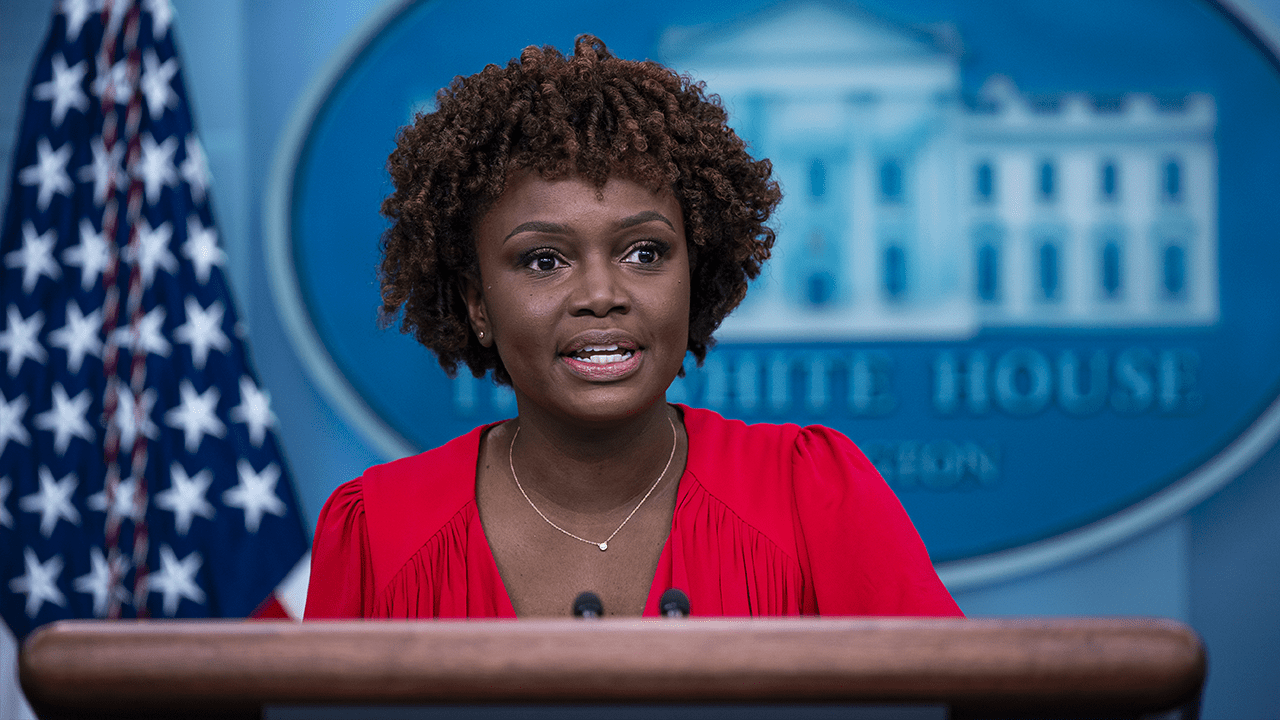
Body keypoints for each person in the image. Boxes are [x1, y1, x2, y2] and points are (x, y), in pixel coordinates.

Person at [304, 35, 962, 619]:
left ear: (693, 275)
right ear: (477, 303)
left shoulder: (811, 496)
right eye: (544, 260)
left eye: (644, 252)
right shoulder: (378, 531)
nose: (601, 294)